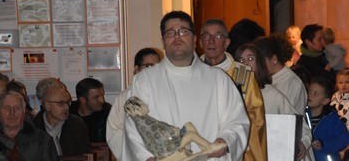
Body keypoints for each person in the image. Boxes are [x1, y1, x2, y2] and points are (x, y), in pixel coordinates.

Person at [122, 11, 250, 161]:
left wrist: (225, 141)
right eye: (170, 32)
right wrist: (146, 158)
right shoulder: (144, 80)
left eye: (183, 31)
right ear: (163, 41)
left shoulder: (219, 79)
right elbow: (133, 126)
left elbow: (237, 122)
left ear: (195, 39)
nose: (177, 36)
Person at [199, 19, 267, 161]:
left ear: (227, 43)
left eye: (218, 36)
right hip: (199, 147)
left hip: (232, 150)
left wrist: (233, 140)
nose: (211, 41)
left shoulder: (242, 74)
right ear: (200, 43)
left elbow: (255, 117)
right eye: (206, 36)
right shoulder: (191, 74)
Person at [235, 43, 314, 161]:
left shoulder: (272, 94)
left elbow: (299, 125)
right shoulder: (233, 94)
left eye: (250, 59)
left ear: (259, 63)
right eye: (241, 60)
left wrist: (302, 143)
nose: (245, 64)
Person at [106, 47, 162, 159]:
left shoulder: (164, 95)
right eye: (149, 66)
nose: (153, 71)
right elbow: (114, 131)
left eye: (158, 67)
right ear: (136, 69)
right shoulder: (124, 98)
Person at [254, 34, 308, 115]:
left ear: (274, 59)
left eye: (260, 61)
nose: (256, 65)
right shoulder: (262, 79)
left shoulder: (292, 82)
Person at [0, 91, 59, 160]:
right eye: (7, 108)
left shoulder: (42, 139)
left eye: (17, 108)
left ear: (24, 111)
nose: (12, 112)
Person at [33, 86, 90, 156]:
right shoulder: (33, 126)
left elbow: (83, 156)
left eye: (68, 103)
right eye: (61, 103)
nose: (67, 107)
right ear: (47, 105)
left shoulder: (77, 124)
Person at [306, 76, 349, 161]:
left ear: (325, 101)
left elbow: (343, 139)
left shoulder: (332, 119)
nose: (310, 96)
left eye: (316, 94)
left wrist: (323, 144)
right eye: (309, 92)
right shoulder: (302, 114)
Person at [69, 77, 111, 142]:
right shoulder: (68, 114)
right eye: (96, 97)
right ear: (83, 99)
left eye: (102, 95)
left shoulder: (108, 113)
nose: (102, 100)